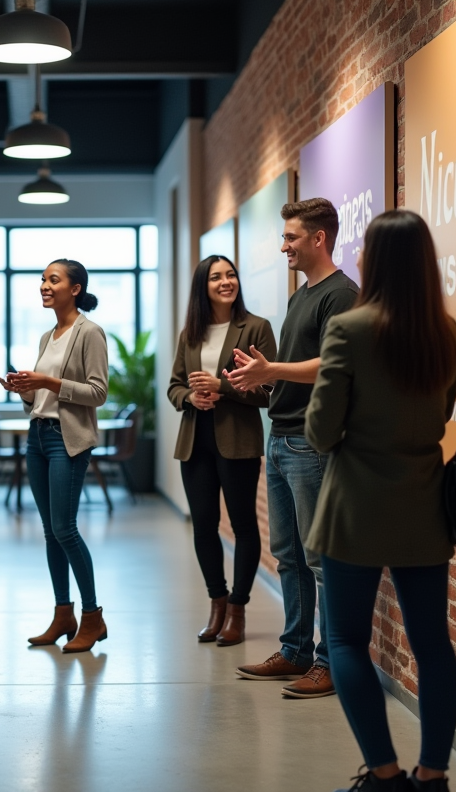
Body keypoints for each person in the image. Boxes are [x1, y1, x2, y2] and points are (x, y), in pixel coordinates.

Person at [305, 210, 456, 792]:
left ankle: (385, 774)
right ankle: (433, 775)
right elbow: (443, 414)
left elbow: (321, 432)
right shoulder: (445, 331)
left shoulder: (350, 328)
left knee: (345, 639)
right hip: (424, 504)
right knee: (433, 644)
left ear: (376, 260)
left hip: (355, 508)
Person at [225, 197, 358, 699]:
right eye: (282, 238)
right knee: (288, 555)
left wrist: (271, 370)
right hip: (280, 438)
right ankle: (296, 650)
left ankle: (329, 663)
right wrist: (259, 376)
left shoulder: (342, 295)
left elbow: (332, 365)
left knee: (319, 558)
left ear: (318, 238)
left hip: (310, 441)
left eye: (291, 238)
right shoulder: (303, 294)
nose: (283, 246)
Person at [0, 259, 109, 653]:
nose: (44, 285)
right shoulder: (49, 336)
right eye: (43, 279)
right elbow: (40, 396)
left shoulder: (90, 332)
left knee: (65, 528)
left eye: (53, 279)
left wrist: (48, 381)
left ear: (75, 288)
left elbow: (98, 392)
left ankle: (92, 617)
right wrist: (25, 387)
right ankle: (64, 615)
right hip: (38, 437)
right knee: (49, 531)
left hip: (67, 440)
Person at [167, 255, 276, 646]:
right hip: (196, 441)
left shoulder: (256, 328)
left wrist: (222, 387)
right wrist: (190, 399)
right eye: (216, 277)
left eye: (230, 275)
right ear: (204, 286)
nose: (226, 282)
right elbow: (174, 386)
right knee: (204, 526)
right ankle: (216, 602)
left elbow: (269, 392)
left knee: (244, 525)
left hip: (238, 440)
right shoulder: (190, 334)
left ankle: (238, 610)